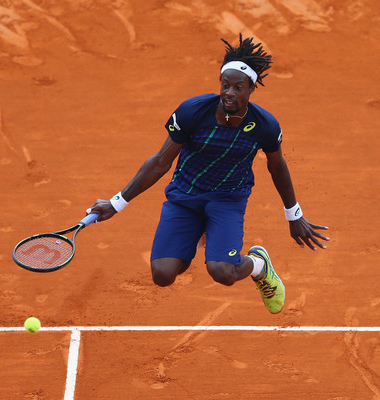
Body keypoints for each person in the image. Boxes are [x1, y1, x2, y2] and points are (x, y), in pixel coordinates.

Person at [87, 34, 329, 314]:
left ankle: (259, 266)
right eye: (225, 85)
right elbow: (160, 162)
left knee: (222, 271)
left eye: (238, 87)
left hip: (227, 200)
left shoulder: (264, 126)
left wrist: (294, 215)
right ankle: (197, 232)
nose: (229, 93)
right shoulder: (192, 112)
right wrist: (117, 203)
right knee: (163, 274)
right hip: (184, 196)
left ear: (251, 89)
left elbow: (277, 167)